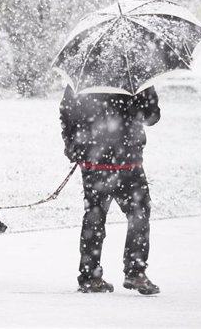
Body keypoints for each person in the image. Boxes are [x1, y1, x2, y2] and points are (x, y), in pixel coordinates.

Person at [59, 85, 161, 295]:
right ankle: (135, 271)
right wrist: (136, 108)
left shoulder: (83, 76)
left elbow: (67, 111)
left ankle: (89, 276)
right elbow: (152, 116)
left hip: (94, 161)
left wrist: (72, 145)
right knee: (139, 215)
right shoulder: (136, 77)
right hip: (127, 160)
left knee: (94, 218)